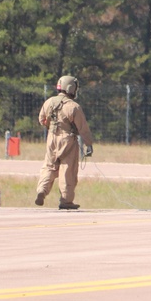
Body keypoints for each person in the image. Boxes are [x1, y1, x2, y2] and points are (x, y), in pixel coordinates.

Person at [35, 75, 94, 210]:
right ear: (71, 88)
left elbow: (41, 119)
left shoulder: (49, 102)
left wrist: (51, 128)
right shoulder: (73, 107)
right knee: (67, 169)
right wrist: (88, 144)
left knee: (49, 166)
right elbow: (83, 128)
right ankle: (66, 201)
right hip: (67, 139)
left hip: (51, 138)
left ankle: (42, 191)